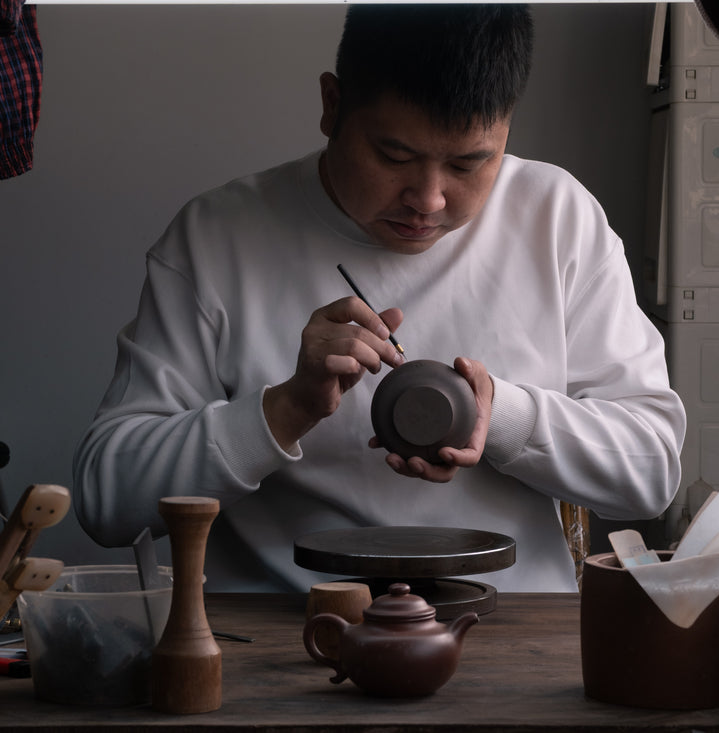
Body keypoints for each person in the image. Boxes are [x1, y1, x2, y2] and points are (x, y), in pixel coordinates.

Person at [72, 4, 686, 593]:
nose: (429, 199)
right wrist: (281, 411)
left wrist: (499, 415)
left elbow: (651, 472)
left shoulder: (556, 218)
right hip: (279, 634)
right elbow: (108, 500)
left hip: (514, 628)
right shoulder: (217, 236)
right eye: (394, 156)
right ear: (332, 105)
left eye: (470, 163)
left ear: (507, 128)